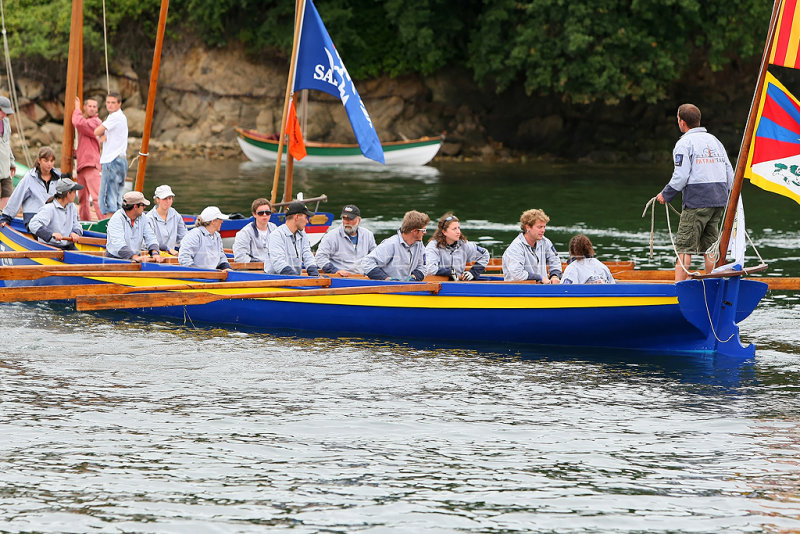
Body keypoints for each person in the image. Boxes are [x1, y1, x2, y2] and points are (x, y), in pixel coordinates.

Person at [656, 103, 734, 282]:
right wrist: (729, 198)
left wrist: (665, 194)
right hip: (718, 200)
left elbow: (681, 175)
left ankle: (679, 289)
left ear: (681, 122)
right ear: (698, 121)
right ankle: (714, 284)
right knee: (711, 246)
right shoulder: (715, 141)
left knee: (684, 247)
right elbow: (729, 172)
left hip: (697, 202)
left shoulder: (684, 143)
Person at [0, 146, 61, 229]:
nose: (49, 164)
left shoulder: (58, 179)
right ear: (39, 160)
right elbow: (17, 197)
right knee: (47, 234)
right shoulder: (29, 177)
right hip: (33, 217)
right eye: (46, 161)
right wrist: (6, 217)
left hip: (50, 219)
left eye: (52, 161)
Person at [362, 210, 429, 281]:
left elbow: (423, 267)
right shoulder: (390, 244)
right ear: (415, 231)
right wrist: (386, 279)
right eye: (423, 230)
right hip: (386, 288)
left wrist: (414, 277)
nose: (425, 232)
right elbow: (367, 263)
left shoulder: (420, 245)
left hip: (408, 288)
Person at [502, 209, 562, 283]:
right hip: (518, 290)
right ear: (528, 227)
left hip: (541, 289)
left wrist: (555, 276)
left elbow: (555, 261)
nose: (543, 230)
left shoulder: (546, 242)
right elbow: (517, 274)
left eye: (544, 227)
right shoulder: (515, 247)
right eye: (539, 227)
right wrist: (540, 278)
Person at [315, 204, 376, 276]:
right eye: (344, 219)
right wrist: (335, 271)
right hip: (340, 278)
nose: (347, 222)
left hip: (364, 277)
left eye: (350, 219)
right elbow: (320, 257)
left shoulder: (368, 235)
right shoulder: (331, 236)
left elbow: (375, 257)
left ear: (359, 220)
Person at [425, 213, 489, 280]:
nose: (458, 232)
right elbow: (429, 268)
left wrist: (473, 273)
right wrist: (449, 272)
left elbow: (485, 254)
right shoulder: (433, 246)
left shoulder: (464, 244)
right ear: (444, 232)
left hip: (459, 284)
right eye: (454, 229)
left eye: (459, 228)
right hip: (440, 285)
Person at [105, 191, 164, 263]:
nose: (145, 207)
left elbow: (150, 237)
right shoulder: (116, 219)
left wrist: (155, 254)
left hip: (135, 258)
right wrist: (135, 257)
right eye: (143, 205)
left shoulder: (143, 217)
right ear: (135, 206)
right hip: (115, 260)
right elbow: (118, 244)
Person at [95, 91, 128, 216]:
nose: (110, 105)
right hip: (121, 160)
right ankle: (119, 223)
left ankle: (110, 225)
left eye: (113, 103)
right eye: (108, 102)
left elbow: (96, 131)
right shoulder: (121, 117)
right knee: (118, 197)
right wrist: (103, 136)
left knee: (107, 197)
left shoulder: (115, 117)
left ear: (119, 104)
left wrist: (100, 134)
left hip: (112, 160)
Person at [71, 95, 103, 221]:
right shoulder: (86, 123)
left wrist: (77, 109)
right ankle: (85, 222)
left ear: (97, 109)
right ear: (86, 107)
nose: (91, 108)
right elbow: (85, 143)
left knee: (96, 197)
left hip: (91, 164)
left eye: (94, 106)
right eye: (89, 106)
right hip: (81, 164)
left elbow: (78, 123)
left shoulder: (96, 123)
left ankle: (105, 223)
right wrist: (77, 153)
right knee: (83, 199)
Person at [28, 177, 84, 249]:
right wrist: (51, 234)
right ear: (68, 193)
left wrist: (75, 233)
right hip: (49, 247)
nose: (75, 194)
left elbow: (76, 224)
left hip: (67, 245)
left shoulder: (72, 207)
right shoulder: (49, 208)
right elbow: (33, 224)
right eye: (74, 192)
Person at [267, 201, 319, 276]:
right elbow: (278, 262)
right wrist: (297, 279)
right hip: (276, 280)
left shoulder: (302, 234)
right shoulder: (276, 235)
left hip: (295, 279)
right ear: (297, 217)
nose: (307, 221)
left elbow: (307, 255)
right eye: (306, 217)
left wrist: (314, 273)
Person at [146, 184, 187, 256]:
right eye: (165, 198)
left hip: (172, 256)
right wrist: (168, 249)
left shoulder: (176, 215)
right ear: (157, 199)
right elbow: (149, 242)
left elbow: (183, 237)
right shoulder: (149, 218)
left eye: (170, 198)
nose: (168, 201)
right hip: (154, 256)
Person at [233, 198, 276, 263]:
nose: (264, 215)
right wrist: (258, 262)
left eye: (268, 212)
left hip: (273, 267)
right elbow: (240, 257)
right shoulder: (244, 233)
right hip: (252, 268)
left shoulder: (275, 229)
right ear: (254, 214)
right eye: (261, 213)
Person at [0, 96, 17, 211]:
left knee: (7, 197)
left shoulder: (6, 121)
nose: (5, 115)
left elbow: (7, 144)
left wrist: (12, 162)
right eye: (3, 112)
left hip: (5, 168)